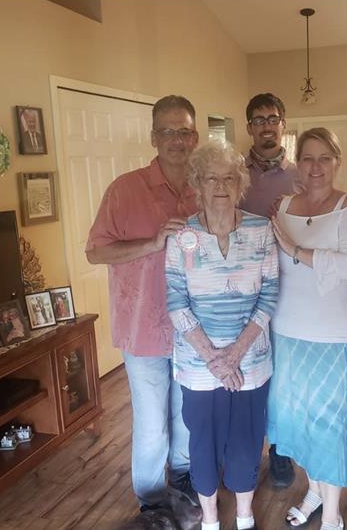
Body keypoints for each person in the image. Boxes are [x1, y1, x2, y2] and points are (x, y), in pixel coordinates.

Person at [86, 95, 200, 512]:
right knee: (152, 421)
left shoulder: (206, 188)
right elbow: (95, 252)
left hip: (195, 329)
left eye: (184, 131)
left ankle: (185, 477)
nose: (176, 140)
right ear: (153, 137)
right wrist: (152, 244)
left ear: (195, 137)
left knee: (188, 413)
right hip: (143, 330)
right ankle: (152, 502)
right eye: (167, 131)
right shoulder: (124, 189)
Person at [165, 141, 279, 530]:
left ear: (240, 184)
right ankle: (211, 519)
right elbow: (176, 303)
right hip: (199, 366)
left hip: (251, 360)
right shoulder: (182, 236)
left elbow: (270, 293)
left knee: (247, 440)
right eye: (211, 178)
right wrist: (214, 358)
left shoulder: (261, 229)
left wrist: (235, 354)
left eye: (229, 178)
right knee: (204, 443)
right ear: (197, 183)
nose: (220, 186)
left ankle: (245, 515)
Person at [268, 127, 347, 530]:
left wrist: (295, 250)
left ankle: (331, 515)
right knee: (299, 421)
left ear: (337, 162)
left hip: (329, 334)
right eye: (307, 158)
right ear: (297, 163)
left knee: (328, 427)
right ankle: (313, 490)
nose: (315, 166)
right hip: (286, 329)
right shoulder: (284, 205)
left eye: (325, 158)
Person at [240, 92, 299, 488]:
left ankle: (280, 451)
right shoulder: (234, 174)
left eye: (273, 119)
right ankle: (245, 451)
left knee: (282, 374)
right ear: (249, 127)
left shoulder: (300, 175)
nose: (266, 126)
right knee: (247, 371)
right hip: (243, 289)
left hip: (291, 288)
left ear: (283, 124)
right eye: (259, 120)